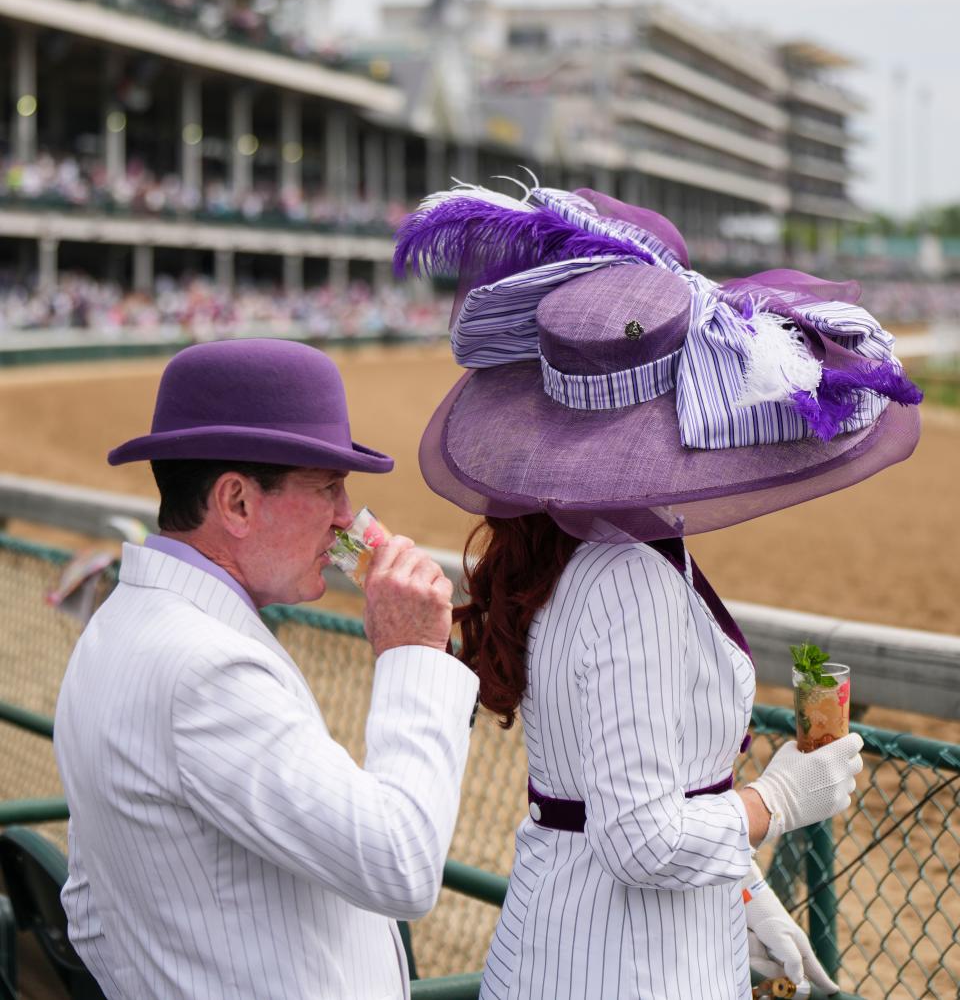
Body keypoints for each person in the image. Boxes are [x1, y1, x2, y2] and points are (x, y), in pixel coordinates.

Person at [394, 180, 923, 1000]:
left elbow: (629, 789)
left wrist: (745, 897)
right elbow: (640, 836)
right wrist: (780, 796)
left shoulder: (572, 547)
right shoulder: (628, 580)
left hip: (583, 945)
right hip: (625, 966)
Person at [53, 338, 479, 1000]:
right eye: (329, 486)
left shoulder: (116, 625)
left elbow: (88, 906)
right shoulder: (207, 670)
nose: (347, 519)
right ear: (238, 502)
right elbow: (402, 864)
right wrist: (414, 655)